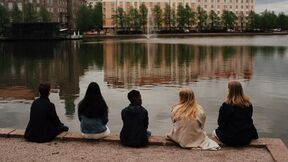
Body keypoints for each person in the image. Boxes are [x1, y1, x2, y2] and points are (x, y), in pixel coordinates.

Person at [213, 80, 258, 146]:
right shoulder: (248, 104)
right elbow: (249, 119)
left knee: (214, 132)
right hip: (246, 137)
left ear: (230, 91)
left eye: (228, 89)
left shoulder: (226, 105)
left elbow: (221, 123)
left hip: (232, 138)